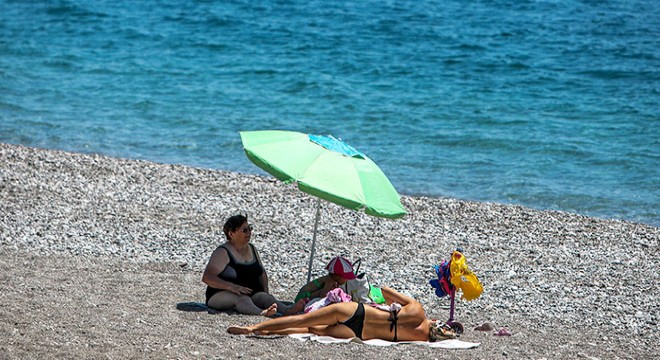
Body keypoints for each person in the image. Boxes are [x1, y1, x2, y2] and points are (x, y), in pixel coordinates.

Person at [227, 286, 457, 342]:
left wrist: (390, 300)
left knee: (304, 319)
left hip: (356, 311)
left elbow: (384, 291)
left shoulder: (417, 310)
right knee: (307, 329)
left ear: (434, 321)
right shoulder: (420, 338)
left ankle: (253, 328)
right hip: (359, 332)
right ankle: (265, 331)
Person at [202, 214, 303, 316]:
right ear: (231, 234)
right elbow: (207, 277)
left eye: (250, 228)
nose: (249, 233)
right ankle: (261, 313)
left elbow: (262, 272)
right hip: (221, 293)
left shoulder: (252, 248)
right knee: (242, 299)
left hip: (250, 292)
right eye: (244, 230)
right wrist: (232, 287)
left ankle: (287, 310)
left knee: (266, 298)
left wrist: (265, 290)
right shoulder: (222, 252)